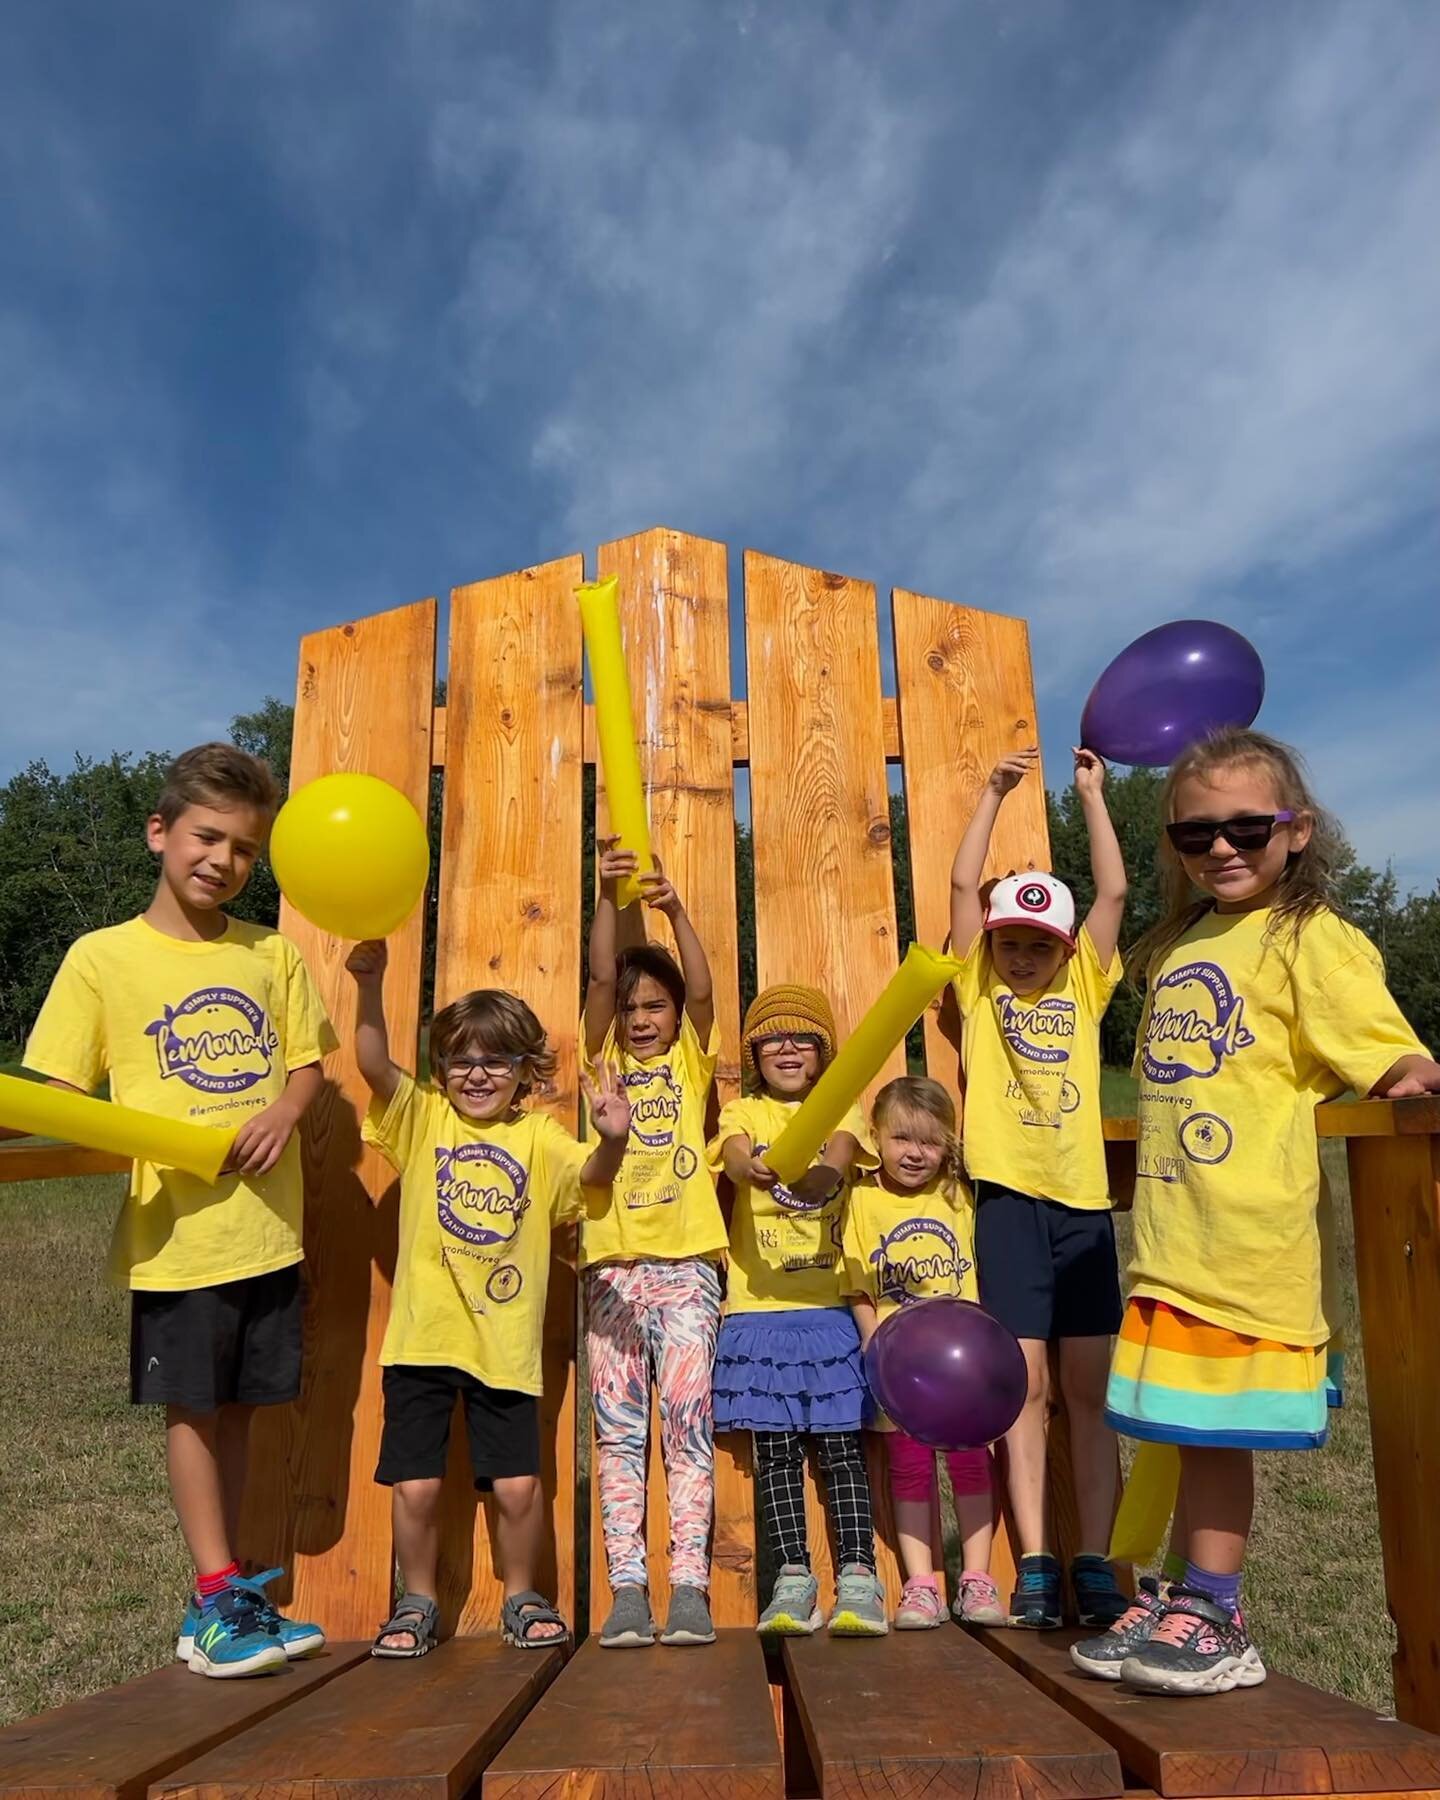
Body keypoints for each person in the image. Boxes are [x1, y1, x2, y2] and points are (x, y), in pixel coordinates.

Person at [1071, 727, 1440, 1695]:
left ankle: (1219, 1614)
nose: (1222, 849)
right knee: (1185, 1431)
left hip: (1247, 1242)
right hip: (1170, 1241)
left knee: (1218, 1435)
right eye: (1197, 835)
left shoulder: (1312, 938)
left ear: (1297, 830)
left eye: (1246, 827)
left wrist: (1409, 1084)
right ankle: (1187, 1592)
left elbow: (1388, 1052)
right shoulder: (1186, 940)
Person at [19, 744, 334, 1677]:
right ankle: (210, 1606)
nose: (222, 861)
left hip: (268, 1232)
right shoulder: (101, 958)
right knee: (192, 1414)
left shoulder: (270, 952)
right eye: (207, 837)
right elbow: (54, 1090)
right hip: (177, 1241)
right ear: (160, 832)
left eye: (244, 849)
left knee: (238, 1412)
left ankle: (229, 1586)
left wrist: (283, 1108)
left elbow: (306, 1064)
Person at [347, 939, 631, 1655]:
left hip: (503, 1345)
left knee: (516, 1490)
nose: (478, 1074)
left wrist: (615, 1142)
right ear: (442, 1069)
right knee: (413, 1489)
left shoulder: (539, 1137)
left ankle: (522, 1595)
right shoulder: (424, 1120)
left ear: (524, 1072)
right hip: (422, 1340)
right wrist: (372, 986)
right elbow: (375, 1065)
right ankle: (415, 1602)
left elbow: (592, 1177)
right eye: (462, 1060)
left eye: (496, 1060)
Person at [950, 745, 1129, 1630]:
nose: (1023, 957)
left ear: (1065, 952)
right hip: (1010, 1204)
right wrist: (991, 793)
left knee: (1089, 1392)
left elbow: (1112, 899)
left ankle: (1093, 1561)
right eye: (1010, 943)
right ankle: (1033, 1562)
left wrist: (1093, 796)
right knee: (1023, 1392)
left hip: (1084, 1208)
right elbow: (958, 893)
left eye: (1038, 946)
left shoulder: (1088, 983)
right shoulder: (980, 991)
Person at [580, 844, 728, 1649]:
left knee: (687, 1427)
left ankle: (691, 1587)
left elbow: (704, 989)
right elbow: (601, 981)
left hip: (687, 1270)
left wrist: (673, 910)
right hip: (613, 1271)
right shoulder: (599, 1062)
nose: (641, 1019)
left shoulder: (690, 1065)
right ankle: (628, 1589)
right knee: (619, 1433)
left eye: (655, 1008)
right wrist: (609, 896)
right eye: (633, 1009)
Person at [711, 985, 887, 1638]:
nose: (787, 1047)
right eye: (772, 1037)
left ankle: (859, 1577)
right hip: (760, 1314)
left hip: (831, 1311)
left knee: (842, 1449)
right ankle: (790, 1577)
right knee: (777, 1451)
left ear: (826, 1051)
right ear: (754, 1053)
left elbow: (839, 1153)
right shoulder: (743, 1111)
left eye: (803, 1037)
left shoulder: (843, 1106)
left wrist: (822, 1175)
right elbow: (731, 1155)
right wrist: (749, 1165)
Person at [843, 1076, 1003, 1628]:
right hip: (902, 1370)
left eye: (931, 1143)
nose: (916, 1154)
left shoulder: (957, 1195)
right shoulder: (864, 1199)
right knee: (909, 1470)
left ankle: (977, 1580)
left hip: (963, 1371)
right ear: (876, 1138)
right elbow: (859, 1287)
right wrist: (872, 1346)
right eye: (902, 1140)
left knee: (971, 1466)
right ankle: (921, 1585)